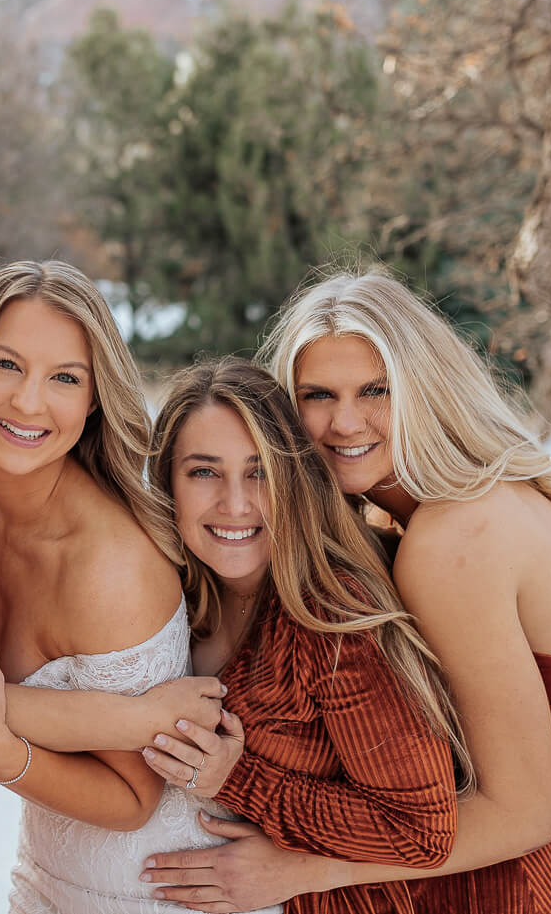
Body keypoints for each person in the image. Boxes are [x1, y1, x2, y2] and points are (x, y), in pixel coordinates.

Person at [164, 268, 551, 914]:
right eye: (318, 394)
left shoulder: (453, 540)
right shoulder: (435, 509)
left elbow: (522, 814)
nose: (344, 421)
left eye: (376, 389)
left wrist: (297, 869)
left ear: (424, 388)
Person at [0, 262, 276, 913]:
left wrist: (3, 751)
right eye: (5, 364)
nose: (28, 401)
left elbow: (133, 799)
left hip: (167, 889)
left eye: (65, 378)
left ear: (94, 397)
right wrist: (125, 717)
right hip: (45, 874)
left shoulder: (111, 566)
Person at [132, 357, 478, 914]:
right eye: (203, 472)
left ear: (293, 477)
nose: (236, 503)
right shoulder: (169, 593)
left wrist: (236, 776)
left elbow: (422, 830)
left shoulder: (334, 617)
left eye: (260, 470)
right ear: (167, 481)